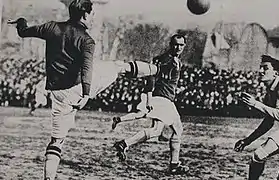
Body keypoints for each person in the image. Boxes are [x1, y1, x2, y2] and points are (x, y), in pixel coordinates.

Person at [9, 1, 97, 179]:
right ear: (86, 15)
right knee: (116, 69)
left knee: (57, 139)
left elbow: (24, 32)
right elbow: (87, 68)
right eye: (92, 13)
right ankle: (149, 71)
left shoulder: (52, 27)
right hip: (75, 88)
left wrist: (21, 23)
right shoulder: (87, 40)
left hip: (58, 91)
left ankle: (50, 176)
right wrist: (87, 93)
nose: (92, 17)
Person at [113, 34, 189, 175]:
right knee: (173, 130)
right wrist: (149, 99)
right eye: (175, 44)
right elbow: (151, 78)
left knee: (160, 130)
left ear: (184, 46)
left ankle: (125, 144)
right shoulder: (165, 60)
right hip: (162, 99)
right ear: (170, 44)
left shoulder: (176, 60)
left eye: (181, 45)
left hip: (166, 99)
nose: (178, 47)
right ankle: (173, 164)